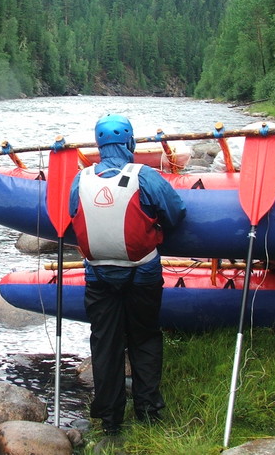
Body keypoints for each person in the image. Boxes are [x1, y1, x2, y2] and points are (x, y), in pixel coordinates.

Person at [68, 114, 186, 435]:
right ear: (129, 143)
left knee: (105, 344)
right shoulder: (145, 176)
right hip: (142, 275)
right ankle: (148, 411)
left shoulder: (81, 179)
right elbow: (175, 214)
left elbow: (73, 215)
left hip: (98, 279)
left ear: (99, 145)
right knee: (144, 338)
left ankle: (110, 420)